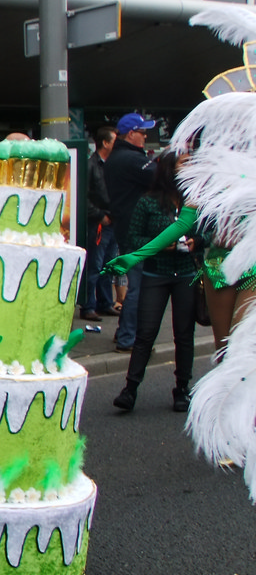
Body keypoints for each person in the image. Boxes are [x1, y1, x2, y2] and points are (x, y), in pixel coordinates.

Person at [104, 151, 197, 412]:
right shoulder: (148, 201)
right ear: (169, 168)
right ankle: (130, 389)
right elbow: (133, 239)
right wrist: (159, 245)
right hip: (156, 273)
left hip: (186, 274)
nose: (190, 167)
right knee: (146, 333)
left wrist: (196, 241)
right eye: (184, 163)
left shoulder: (194, 201)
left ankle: (182, 389)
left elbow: (206, 232)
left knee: (184, 334)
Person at [103, 112, 158, 353]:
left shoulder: (118, 158)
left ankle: (124, 333)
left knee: (136, 285)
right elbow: (161, 177)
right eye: (143, 133)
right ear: (131, 134)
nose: (145, 137)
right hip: (137, 231)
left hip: (126, 229)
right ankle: (128, 338)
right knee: (140, 288)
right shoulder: (131, 159)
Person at [81, 125, 117, 321]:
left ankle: (105, 302)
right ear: (105, 143)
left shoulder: (112, 164)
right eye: (114, 141)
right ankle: (88, 305)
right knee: (95, 264)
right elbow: (83, 196)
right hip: (99, 221)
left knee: (108, 263)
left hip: (112, 219)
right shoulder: (91, 166)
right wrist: (99, 215)